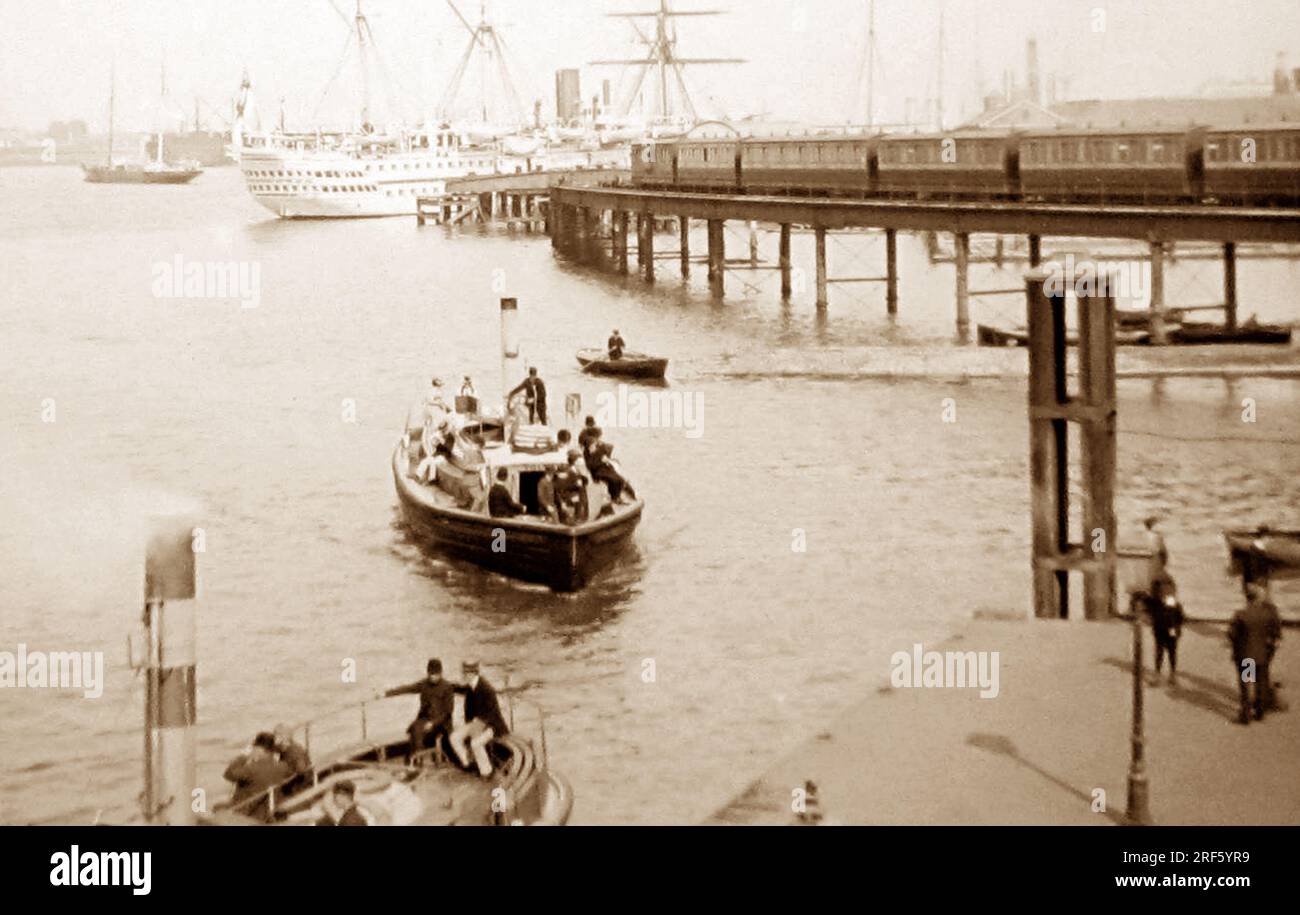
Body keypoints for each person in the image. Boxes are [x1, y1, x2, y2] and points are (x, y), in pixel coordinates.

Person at [1227, 582, 1283, 725]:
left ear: (1246, 598)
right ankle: (1260, 712)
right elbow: (1275, 633)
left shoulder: (1241, 614)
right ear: (1258, 597)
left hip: (1246, 656)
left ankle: (1245, 714)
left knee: (1246, 684)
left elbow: (1231, 634)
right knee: (1260, 683)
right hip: (1262, 656)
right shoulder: (1267, 614)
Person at [385, 658, 457, 763]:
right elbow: (407, 688)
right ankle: (415, 759)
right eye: (431, 674)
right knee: (414, 729)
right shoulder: (424, 684)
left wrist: (433, 723)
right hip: (426, 719)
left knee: (419, 731)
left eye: (436, 674)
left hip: (442, 723)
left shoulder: (447, 687)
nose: (433, 677)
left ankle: (417, 759)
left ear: (440, 673)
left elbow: (448, 712)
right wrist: (387, 693)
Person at [449, 660, 510, 778]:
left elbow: (491, 716)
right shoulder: (471, 686)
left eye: (465, 674)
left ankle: (486, 772)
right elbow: (460, 688)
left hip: (492, 727)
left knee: (475, 743)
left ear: (473, 674)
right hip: (476, 724)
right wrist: (445, 685)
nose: (463, 676)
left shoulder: (486, 689)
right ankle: (468, 763)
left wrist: (476, 726)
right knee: (454, 737)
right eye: (463, 673)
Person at [223, 731, 294, 821]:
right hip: (269, 810)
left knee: (217, 808)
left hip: (248, 813)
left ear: (259, 749)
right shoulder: (283, 766)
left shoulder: (251, 769)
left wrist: (243, 756)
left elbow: (228, 774)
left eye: (254, 748)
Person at [1146, 574, 1184, 687]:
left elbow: (1179, 616)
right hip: (1161, 629)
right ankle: (1162, 675)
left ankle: (1170, 675)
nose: (1165, 591)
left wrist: (1176, 627)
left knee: (1169, 651)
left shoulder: (1169, 602)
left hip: (1168, 629)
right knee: (1162, 651)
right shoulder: (1155, 602)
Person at [585, 436, 636, 504]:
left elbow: (610, 447)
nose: (593, 447)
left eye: (594, 445)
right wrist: (601, 461)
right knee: (613, 479)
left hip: (605, 468)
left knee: (619, 479)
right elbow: (590, 466)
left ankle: (617, 495)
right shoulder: (587, 454)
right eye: (591, 446)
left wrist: (606, 458)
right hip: (597, 471)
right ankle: (615, 497)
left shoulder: (599, 449)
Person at [273, 724, 313, 796]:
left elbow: (301, 770)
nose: (273, 739)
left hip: (298, 789)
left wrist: (287, 775)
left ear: (283, 738)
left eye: (276, 736)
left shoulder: (294, 751)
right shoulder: (284, 749)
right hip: (293, 786)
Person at [552, 449, 589, 524]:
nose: (581, 462)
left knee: (579, 507)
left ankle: (579, 518)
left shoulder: (575, 469)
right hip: (571, 498)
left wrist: (582, 480)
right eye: (579, 459)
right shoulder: (568, 471)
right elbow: (560, 490)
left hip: (578, 497)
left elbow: (583, 481)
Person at [1142, 516, 1168, 592]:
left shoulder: (1140, 536)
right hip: (1155, 567)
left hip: (1143, 569)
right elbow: (1164, 554)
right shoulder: (1158, 537)